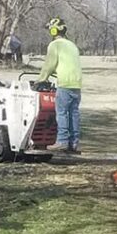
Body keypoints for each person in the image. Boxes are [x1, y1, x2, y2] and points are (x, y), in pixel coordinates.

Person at [38, 16, 82, 154]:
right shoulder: (72, 45)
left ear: (53, 30)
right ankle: (73, 143)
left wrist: (41, 79)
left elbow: (49, 65)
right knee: (73, 113)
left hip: (64, 84)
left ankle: (62, 141)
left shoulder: (55, 45)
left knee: (62, 113)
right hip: (76, 84)